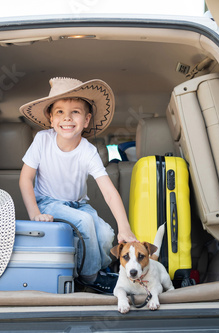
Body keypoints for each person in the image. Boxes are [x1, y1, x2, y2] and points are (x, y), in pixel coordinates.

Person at [19, 77, 137, 294]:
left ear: (86, 120)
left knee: (105, 233)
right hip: (47, 203)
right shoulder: (42, 141)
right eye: (60, 112)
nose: (67, 118)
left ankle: (97, 271)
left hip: (78, 205)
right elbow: (25, 178)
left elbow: (109, 192)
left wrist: (124, 227)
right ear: (51, 119)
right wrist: (35, 214)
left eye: (75, 112)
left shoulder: (88, 151)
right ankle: (91, 277)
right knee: (84, 222)